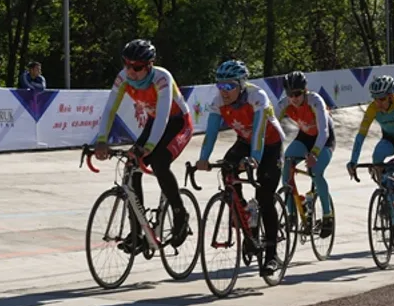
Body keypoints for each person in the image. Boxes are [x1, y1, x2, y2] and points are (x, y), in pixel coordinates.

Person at [94, 39, 193, 252]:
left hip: (177, 123)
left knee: (159, 162)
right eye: (127, 64)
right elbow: (110, 109)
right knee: (131, 167)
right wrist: (101, 140)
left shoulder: (162, 78)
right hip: (154, 121)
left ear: (149, 65)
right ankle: (137, 232)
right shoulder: (123, 78)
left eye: (137, 67)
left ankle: (179, 214)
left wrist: (147, 148)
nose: (131, 71)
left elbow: (163, 117)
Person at [196, 59, 285, 276]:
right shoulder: (218, 102)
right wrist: (203, 159)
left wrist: (254, 159)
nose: (224, 91)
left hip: (270, 145)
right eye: (220, 85)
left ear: (242, 84)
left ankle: (272, 255)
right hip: (244, 141)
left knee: (265, 197)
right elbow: (210, 133)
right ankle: (246, 216)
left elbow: (259, 134)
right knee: (227, 169)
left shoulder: (257, 97)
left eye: (229, 86)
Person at [347, 75, 394, 239]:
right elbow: (360, 136)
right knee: (377, 155)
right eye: (375, 98)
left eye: (381, 99)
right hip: (390, 140)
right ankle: (389, 195)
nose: (378, 103)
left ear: (391, 96)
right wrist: (353, 161)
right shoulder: (372, 108)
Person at [276, 71, 335, 238]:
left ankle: (327, 215)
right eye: (290, 94)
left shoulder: (315, 101)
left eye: (297, 94)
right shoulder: (284, 104)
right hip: (305, 137)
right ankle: (292, 213)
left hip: (324, 139)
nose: (293, 98)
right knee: (286, 167)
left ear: (305, 90)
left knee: (316, 172)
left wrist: (314, 153)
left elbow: (324, 132)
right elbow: (271, 128)